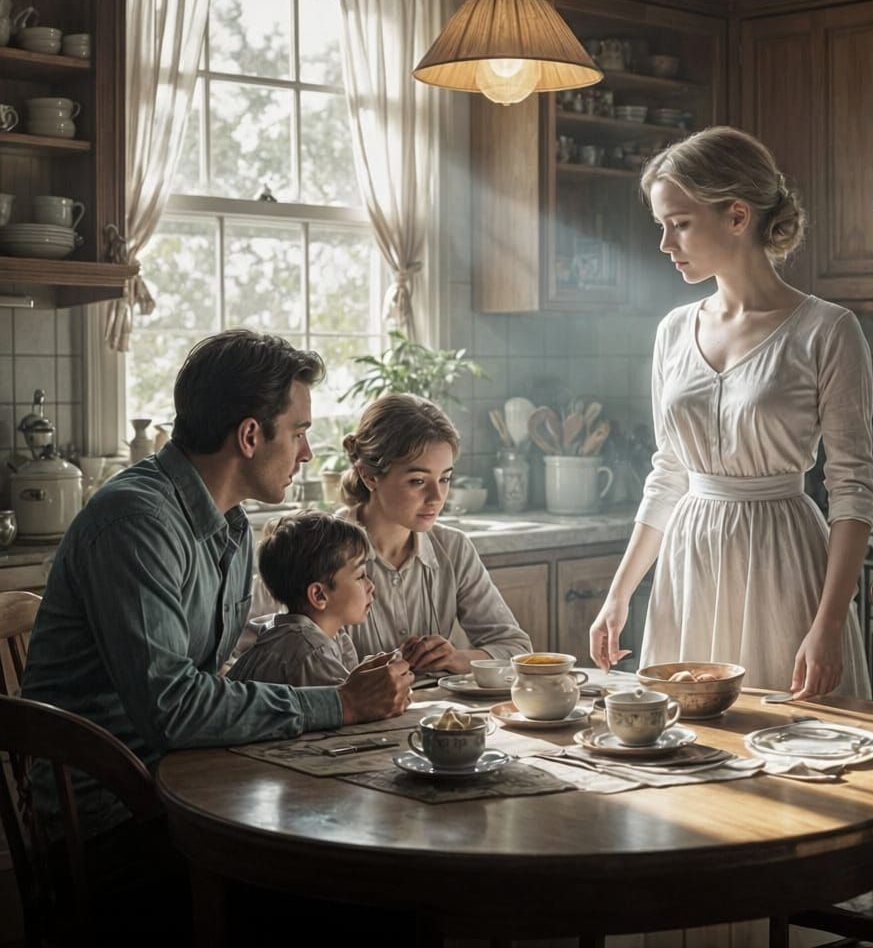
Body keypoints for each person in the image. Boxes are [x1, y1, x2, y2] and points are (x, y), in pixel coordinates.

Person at [21, 330, 414, 845]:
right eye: (298, 433)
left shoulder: (228, 524)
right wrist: (340, 703)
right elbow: (174, 709)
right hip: (110, 818)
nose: (307, 454)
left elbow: (207, 676)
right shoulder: (137, 523)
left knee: (368, 817)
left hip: (182, 780)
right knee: (356, 863)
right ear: (250, 436)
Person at [590, 126, 873, 701]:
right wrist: (620, 594)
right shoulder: (674, 331)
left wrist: (830, 623)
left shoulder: (828, 330)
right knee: (686, 747)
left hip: (782, 559)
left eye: (681, 223)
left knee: (794, 753)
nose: (666, 244)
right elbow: (668, 472)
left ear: (738, 217)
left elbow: (852, 490)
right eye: (661, 226)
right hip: (690, 560)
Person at [253, 393, 532, 673]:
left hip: (433, 715)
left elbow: (515, 648)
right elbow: (245, 653)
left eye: (445, 478)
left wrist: (456, 658)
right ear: (369, 476)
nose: (437, 497)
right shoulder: (312, 547)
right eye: (418, 481)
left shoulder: (453, 548)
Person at [228, 509, 376, 686]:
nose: (371, 586)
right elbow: (355, 706)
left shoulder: (329, 636)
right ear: (319, 595)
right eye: (360, 576)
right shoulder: (308, 651)